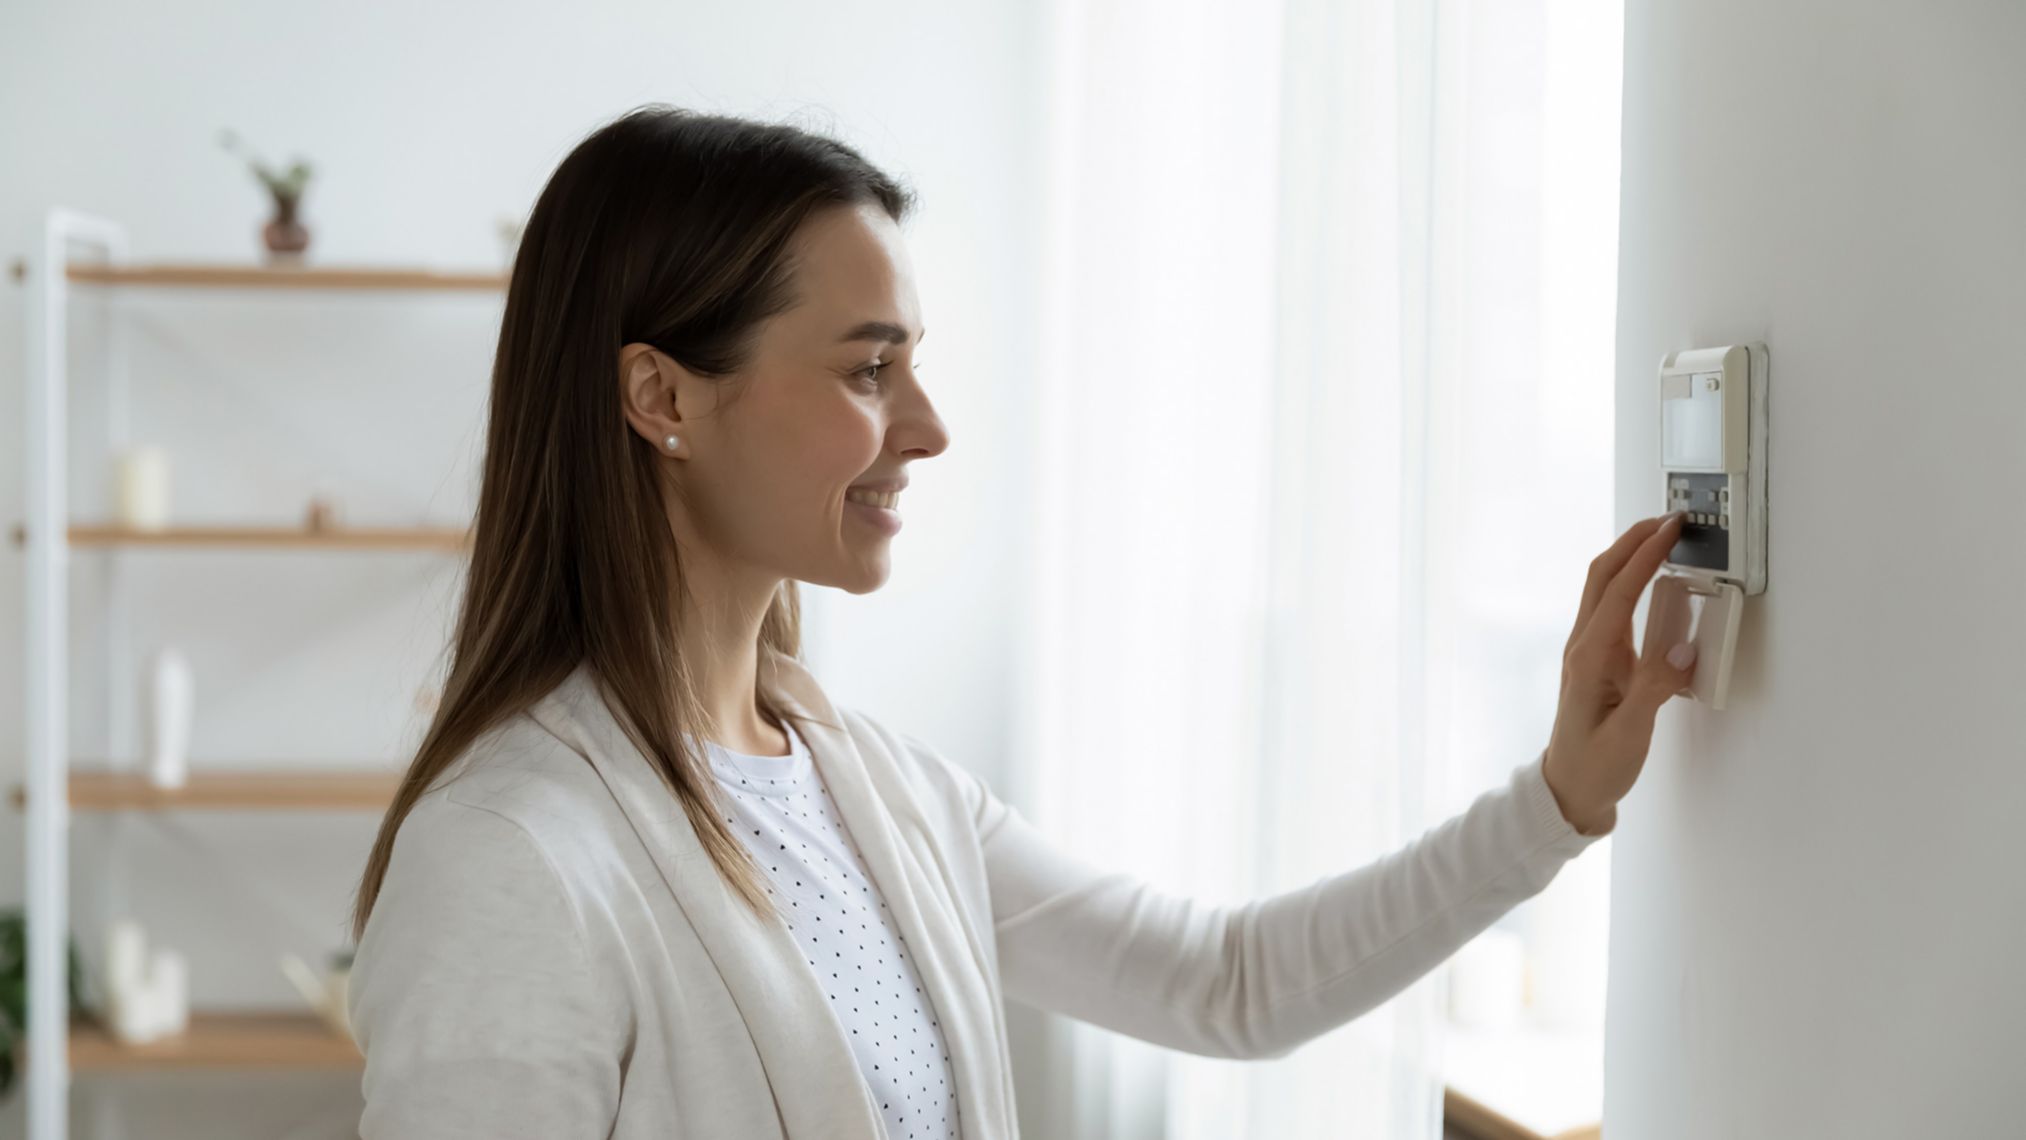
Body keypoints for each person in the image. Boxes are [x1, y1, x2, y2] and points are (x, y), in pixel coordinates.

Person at [343, 104, 1698, 1140]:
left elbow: (1227, 982)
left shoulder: (873, 791)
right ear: (663, 397)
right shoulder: (510, 859)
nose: (925, 429)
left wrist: (1556, 801)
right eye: (869, 369)